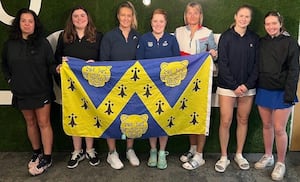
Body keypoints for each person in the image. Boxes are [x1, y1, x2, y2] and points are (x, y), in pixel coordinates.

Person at [1, 8, 57, 176]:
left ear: (35, 24)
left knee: (43, 123)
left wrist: (59, 68)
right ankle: (36, 153)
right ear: (18, 24)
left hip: (41, 91)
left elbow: (51, 64)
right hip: (21, 92)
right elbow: (4, 65)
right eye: (23, 20)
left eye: (30, 21)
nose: (27, 24)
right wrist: (11, 80)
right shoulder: (9, 45)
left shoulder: (42, 43)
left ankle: (47, 157)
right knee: (30, 122)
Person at [55, 6, 103, 169]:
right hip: (71, 87)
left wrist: (95, 64)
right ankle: (77, 151)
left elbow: (104, 61)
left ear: (88, 18)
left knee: (89, 114)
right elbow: (57, 60)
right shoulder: (64, 36)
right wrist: (60, 67)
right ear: (71, 19)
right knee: (74, 114)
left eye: (82, 15)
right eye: (76, 16)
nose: (79, 18)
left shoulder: (97, 36)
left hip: (91, 85)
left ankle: (90, 149)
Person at [254, 11, 299, 181]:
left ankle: (281, 162)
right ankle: (268, 156)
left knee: (279, 128)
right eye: (267, 24)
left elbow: (294, 70)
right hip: (264, 89)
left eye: (274, 23)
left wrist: (289, 93)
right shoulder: (262, 42)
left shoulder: (290, 43)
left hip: (282, 92)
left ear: (280, 24)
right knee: (267, 125)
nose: (270, 27)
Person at [214, 5, 259, 173]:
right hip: (227, 87)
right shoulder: (226, 37)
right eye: (241, 15)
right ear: (235, 16)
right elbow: (223, 64)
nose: (243, 19)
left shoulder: (254, 38)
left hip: (248, 87)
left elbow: (257, 64)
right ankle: (224, 156)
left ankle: (239, 154)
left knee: (243, 119)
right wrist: (234, 85)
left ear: (250, 19)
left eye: (247, 16)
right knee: (225, 121)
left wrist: (246, 85)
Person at [174, 1, 217, 170]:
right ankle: (192, 148)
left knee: (200, 115)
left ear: (200, 15)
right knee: (189, 115)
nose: (192, 16)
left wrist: (213, 54)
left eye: (195, 13)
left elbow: (214, 54)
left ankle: (200, 155)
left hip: (202, 81)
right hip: (184, 82)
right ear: (186, 15)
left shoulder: (207, 33)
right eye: (189, 13)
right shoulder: (178, 32)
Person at [136, 8, 180, 169]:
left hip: (167, 88)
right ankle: (153, 150)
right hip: (149, 87)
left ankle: (162, 152)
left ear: (165, 23)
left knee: (164, 118)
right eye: (155, 21)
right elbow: (139, 63)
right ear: (151, 22)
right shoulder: (144, 39)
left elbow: (177, 64)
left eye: (161, 21)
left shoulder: (171, 39)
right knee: (152, 118)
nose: (158, 24)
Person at [100, 1, 140, 169]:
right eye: (123, 15)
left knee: (131, 117)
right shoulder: (109, 36)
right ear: (118, 16)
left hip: (132, 85)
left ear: (132, 17)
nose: (125, 18)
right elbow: (103, 62)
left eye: (129, 15)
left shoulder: (138, 36)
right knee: (112, 118)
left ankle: (130, 149)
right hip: (113, 86)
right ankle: (112, 153)